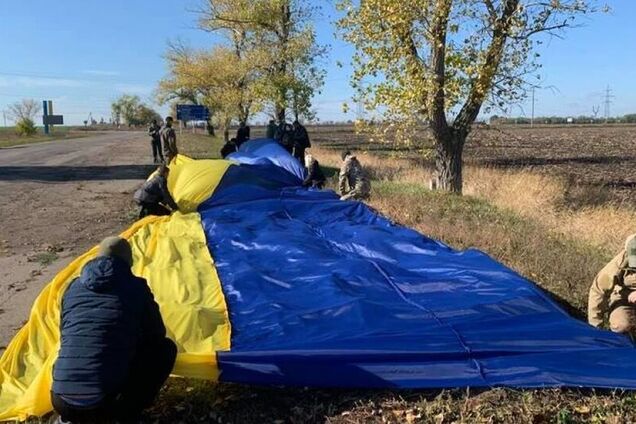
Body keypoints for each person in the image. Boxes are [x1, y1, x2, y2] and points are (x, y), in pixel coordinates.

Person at [51, 237, 177, 423]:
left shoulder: (73, 287)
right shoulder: (136, 287)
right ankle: (127, 414)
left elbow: (65, 332)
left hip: (59, 400)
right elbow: (156, 334)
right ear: (128, 262)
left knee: (75, 350)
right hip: (104, 402)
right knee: (165, 349)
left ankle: (69, 418)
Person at [589, 234, 636, 334]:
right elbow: (598, 291)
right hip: (625, 299)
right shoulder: (619, 263)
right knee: (620, 325)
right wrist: (595, 329)